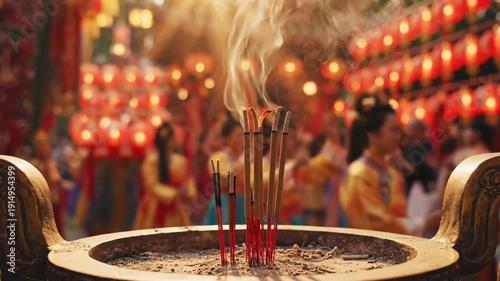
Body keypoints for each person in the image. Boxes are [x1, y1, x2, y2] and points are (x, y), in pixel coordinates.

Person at [339, 103, 439, 237]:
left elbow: (398, 214)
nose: (398, 136)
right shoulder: (359, 173)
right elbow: (374, 222)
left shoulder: (391, 171)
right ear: (372, 136)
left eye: (399, 130)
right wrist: (423, 224)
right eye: (393, 130)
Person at [134, 122, 196, 229]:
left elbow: (188, 180)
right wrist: (173, 194)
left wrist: (188, 192)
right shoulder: (151, 160)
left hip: (176, 205)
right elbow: (151, 185)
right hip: (154, 205)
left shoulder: (180, 160)